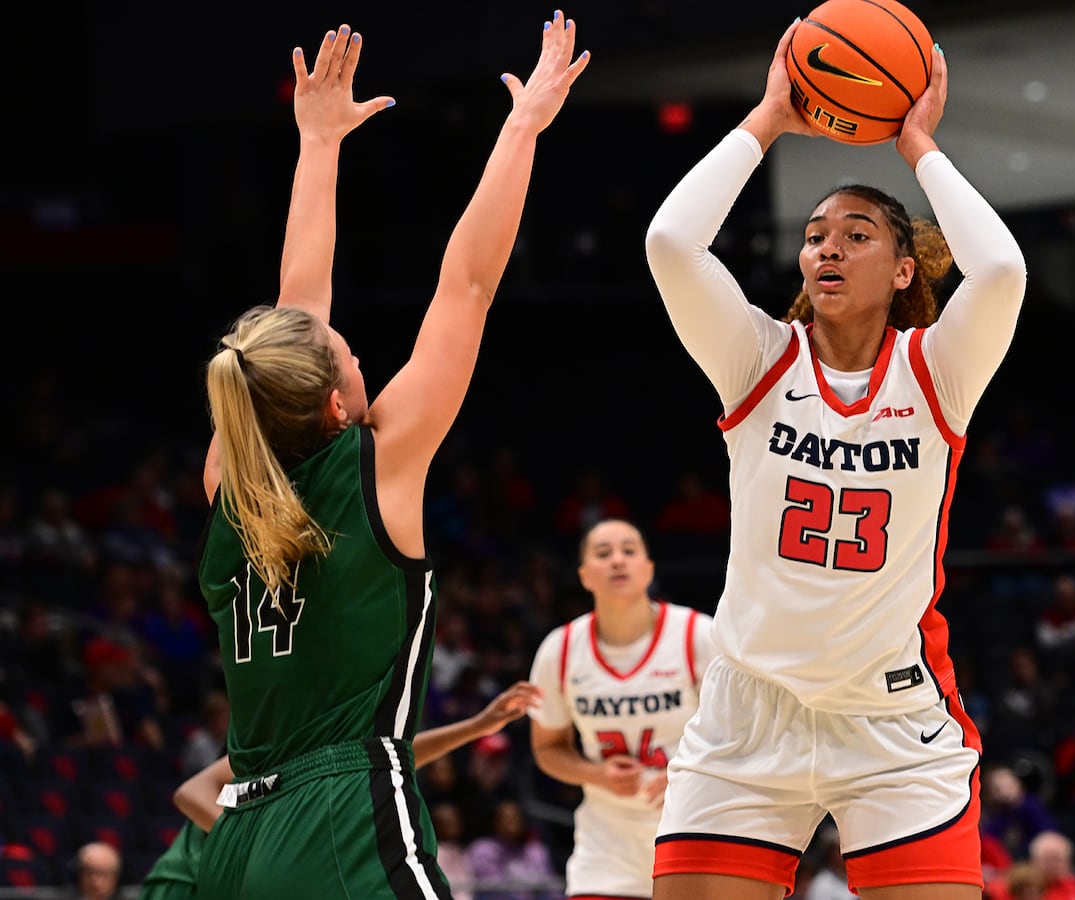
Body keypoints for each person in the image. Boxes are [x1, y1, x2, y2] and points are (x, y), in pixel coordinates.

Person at [188, 18, 588, 897]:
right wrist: (522, 130)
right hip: (341, 820)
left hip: (234, 841)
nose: (360, 355)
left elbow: (295, 314)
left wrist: (319, 144)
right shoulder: (376, 464)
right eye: (352, 358)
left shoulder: (229, 477)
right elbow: (469, 285)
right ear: (336, 401)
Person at [643, 18, 1027, 900]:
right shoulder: (757, 358)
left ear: (902, 269)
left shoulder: (937, 368)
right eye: (816, 234)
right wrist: (768, 120)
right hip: (746, 717)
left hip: (890, 716)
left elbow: (1000, 272)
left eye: (856, 234)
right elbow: (670, 243)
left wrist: (918, 145)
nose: (827, 247)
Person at [138, 681, 542, 899]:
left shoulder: (340, 750)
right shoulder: (285, 740)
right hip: (186, 882)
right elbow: (190, 792)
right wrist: (257, 846)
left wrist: (475, 727)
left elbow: (393, 756)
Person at [527, 519, 717, 900]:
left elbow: (741, 732)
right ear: (584, 576)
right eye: (603, 553)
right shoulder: (560, 650)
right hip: (606, 853)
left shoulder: (698, 635)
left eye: (629, 551)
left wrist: (689, 774)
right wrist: (596, 774)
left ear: (648, 568)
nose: (617, 561)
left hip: (694, 833)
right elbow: (547, 749)